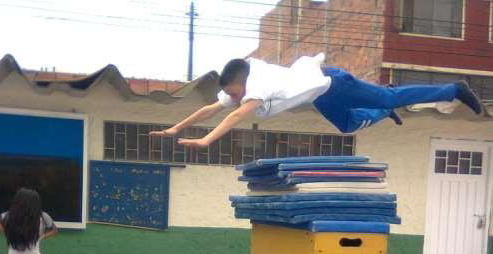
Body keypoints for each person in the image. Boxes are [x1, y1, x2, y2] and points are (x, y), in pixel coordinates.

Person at [151, 53, 482, 146]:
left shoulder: (258, 84)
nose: (234, 101)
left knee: (388, 95)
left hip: (335, 83)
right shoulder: (239, 82)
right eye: (232, 96)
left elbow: (237, 116)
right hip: (322, 98)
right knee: (348, 125)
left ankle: (455, 89)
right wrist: (175, 128)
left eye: (236, 94)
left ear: (243, 84)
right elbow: (213, 107)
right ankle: (384, 112)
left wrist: (207, 140)